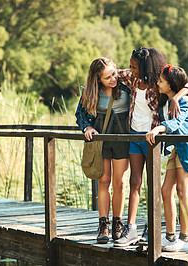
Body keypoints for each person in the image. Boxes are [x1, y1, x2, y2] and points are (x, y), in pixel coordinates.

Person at [114, 47, 188, 247]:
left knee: (155, 185)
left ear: (144, 66)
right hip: (135, 135)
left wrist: (176, 98)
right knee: (135, 181)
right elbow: (111, 75)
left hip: (153, 138)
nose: (130, 69)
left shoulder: (158, 82)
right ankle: (131, 227)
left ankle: (153, 227)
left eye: (134, 66)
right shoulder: (132, 79)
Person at [146, 65, 188, 252]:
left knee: (182, 191)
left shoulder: (183, 102)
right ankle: (170, 236)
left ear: (171, 85)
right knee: (165, 190)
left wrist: (159, 128)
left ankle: (184, 238)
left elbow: (176, 123)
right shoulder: (168, 99)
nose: (158, 83)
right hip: (177, 149)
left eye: (161, 81)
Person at [75, 58, 130, 243]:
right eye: (107, 77)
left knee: (120, 183)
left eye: (114, 73)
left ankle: (117, 223)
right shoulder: (90, 92)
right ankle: (103, 225)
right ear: (98, 79)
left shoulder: (126, 85)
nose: (113, 79)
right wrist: (87, 128)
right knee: (104, 180)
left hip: (122, 138)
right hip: (101, 139)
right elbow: (80, 114)